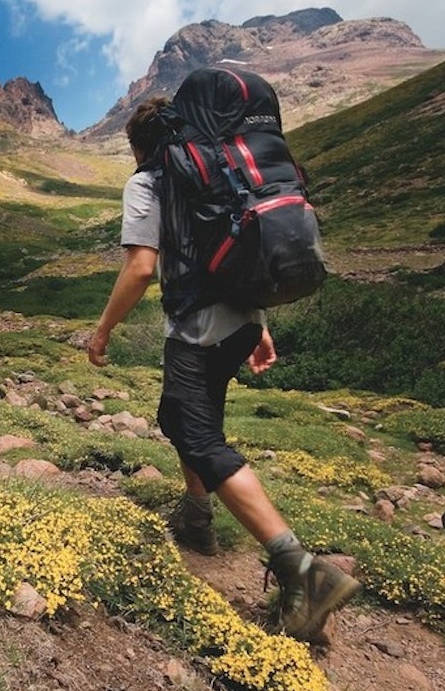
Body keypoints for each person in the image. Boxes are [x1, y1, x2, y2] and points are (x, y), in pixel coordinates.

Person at [86, 95, 360, 643]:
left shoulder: (149, 180)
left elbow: (141, 268)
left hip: (197, 327)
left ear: (139, 145)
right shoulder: (216, 172)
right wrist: (257, 326)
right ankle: (196, 517)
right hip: (241, 321)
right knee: (185, 414)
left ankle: (301, 571)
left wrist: (103, 330)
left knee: (194, 430)